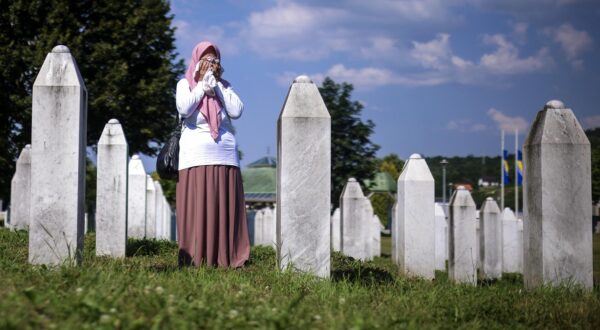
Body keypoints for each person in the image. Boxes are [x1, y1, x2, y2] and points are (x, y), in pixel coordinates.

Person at [175, 41, 250, 267]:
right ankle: (196, 256)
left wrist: (216, 87)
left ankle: (228, 256)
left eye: (215, 60)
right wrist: (201, 87)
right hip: (195, 155)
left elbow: (236, 111)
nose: (211, 64)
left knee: (224, 208)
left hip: (224, 155)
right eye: (205, 59)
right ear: (196, 61)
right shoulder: (185, 84)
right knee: (198, 209)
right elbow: (184, 109)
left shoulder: (224, 86)